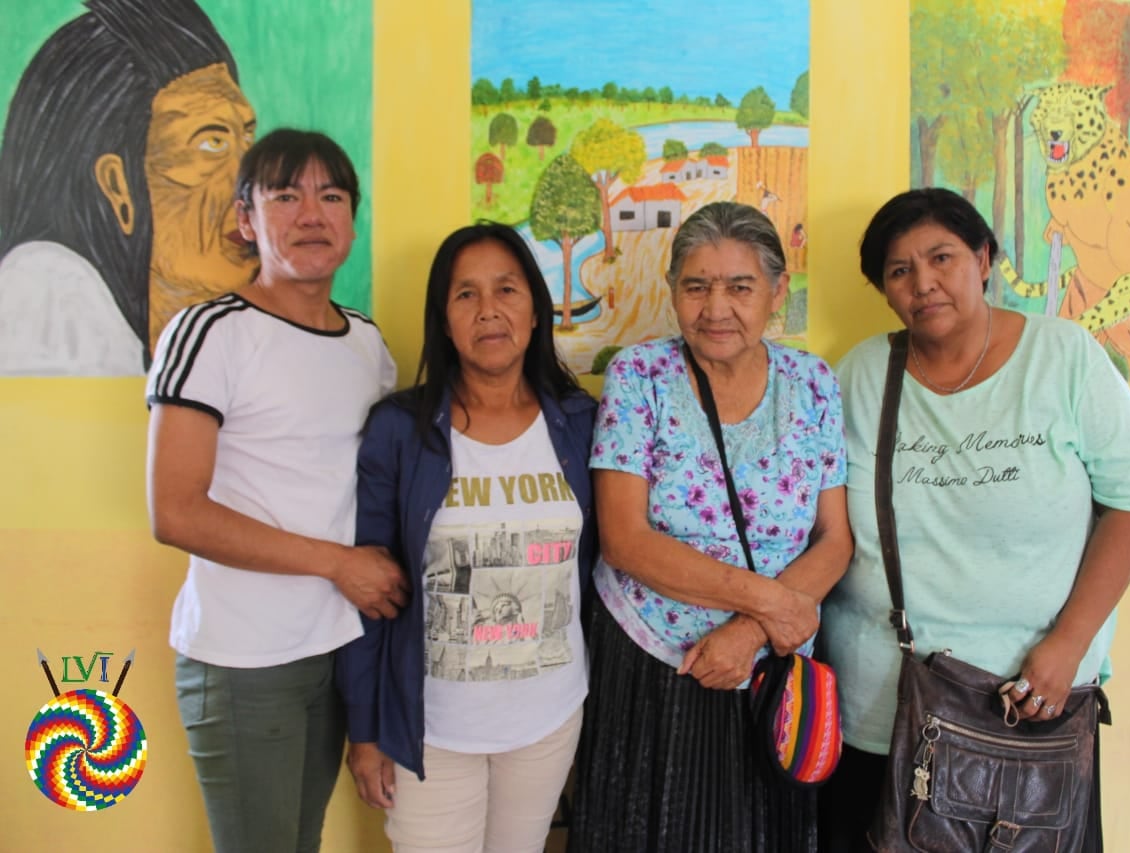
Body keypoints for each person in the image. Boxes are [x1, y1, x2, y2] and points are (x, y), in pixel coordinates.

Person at [818, 187, 1130, 850]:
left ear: (985, 258)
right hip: (880, 717)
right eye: (899, 270)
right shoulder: (861, 376)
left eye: (942, 257)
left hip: (1027, 710)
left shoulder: (1065, 360)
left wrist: (1069, 643)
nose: (924, 282)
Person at [145, 129, 403, 853]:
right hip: (241, 660)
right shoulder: (210, 331)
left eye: (331, 195)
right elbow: (175, 510)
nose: (311, 213)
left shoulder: (366, 344)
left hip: (334, 652)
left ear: (353, 217)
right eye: (285, 195)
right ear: (245, 217)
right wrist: (337, 563)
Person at [569, 201, 853, 852]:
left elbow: (834, 537)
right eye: (696, 286)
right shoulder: (638, 377)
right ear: (673, 292)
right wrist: (767, 603)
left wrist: (751, 632)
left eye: (739, 286)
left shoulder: (812, 384)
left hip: (770, 665)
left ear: (777, 291)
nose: (715, 307)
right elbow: (624, 538)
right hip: (654, 657)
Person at [337, 222, 597, 853]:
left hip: (548, 717)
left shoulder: (581, 422)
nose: (489, 311)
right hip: (431, 729)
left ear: (535, 310)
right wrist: (364, 728)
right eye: (465, 295)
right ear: (444, 320)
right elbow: (367, 588)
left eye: (507, 290)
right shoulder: (399, 431)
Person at [0, 0, 256, 376]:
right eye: (211, 144)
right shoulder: (47, 293)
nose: (249, 187)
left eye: (246, 141)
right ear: (117, 187)